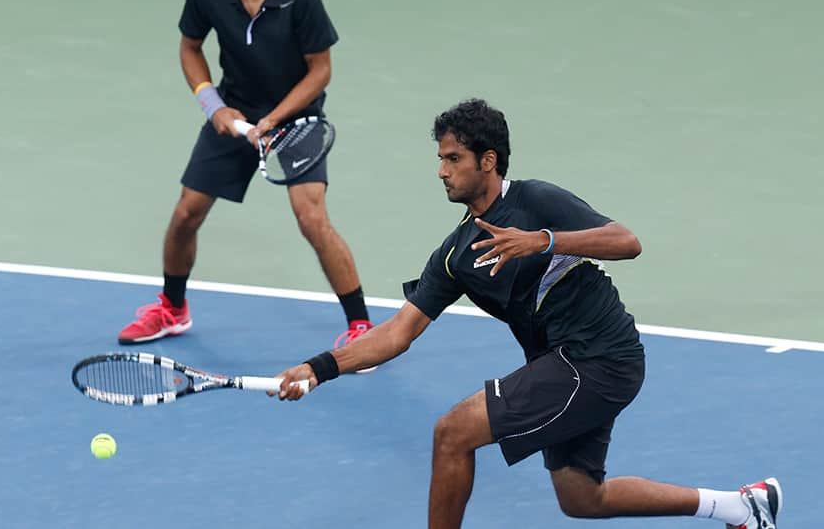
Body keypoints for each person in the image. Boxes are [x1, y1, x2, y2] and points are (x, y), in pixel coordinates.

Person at [273, 99, 782, 529]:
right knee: (582, 498)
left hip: (599, 356)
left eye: (453, 159)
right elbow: (398, 333)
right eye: (440, 158)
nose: (441, 170)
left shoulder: (536, 201)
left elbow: (627, 242)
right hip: (572, 362)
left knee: (452, 433)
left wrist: (545, 240)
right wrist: (319, 368)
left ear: (487, 161)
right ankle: (740, 506)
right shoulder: (455, 254)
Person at [119, 0, 373, 350]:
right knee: (186, 213)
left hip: (297, 117)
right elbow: (190, 47)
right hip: (234, 112)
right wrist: (212, 105)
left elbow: (320, 71)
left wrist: (274, 119)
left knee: (311, 218)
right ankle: (172, 309)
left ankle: (360, 328)